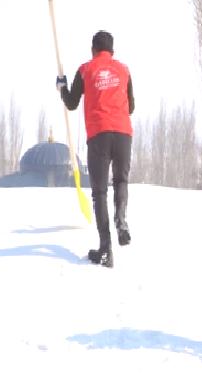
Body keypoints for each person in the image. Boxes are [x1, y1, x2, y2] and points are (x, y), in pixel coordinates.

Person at [59, 30, 135, 268]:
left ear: (93, 50)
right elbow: (131, 107)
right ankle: (121, 220)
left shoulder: (85, 69)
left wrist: (62, 86)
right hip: (123, 134)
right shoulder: (124, 70)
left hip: (99, 135)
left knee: (100, 192)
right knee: (121, 181)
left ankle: (106, 249)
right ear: (112, 51)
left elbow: (71, 103)